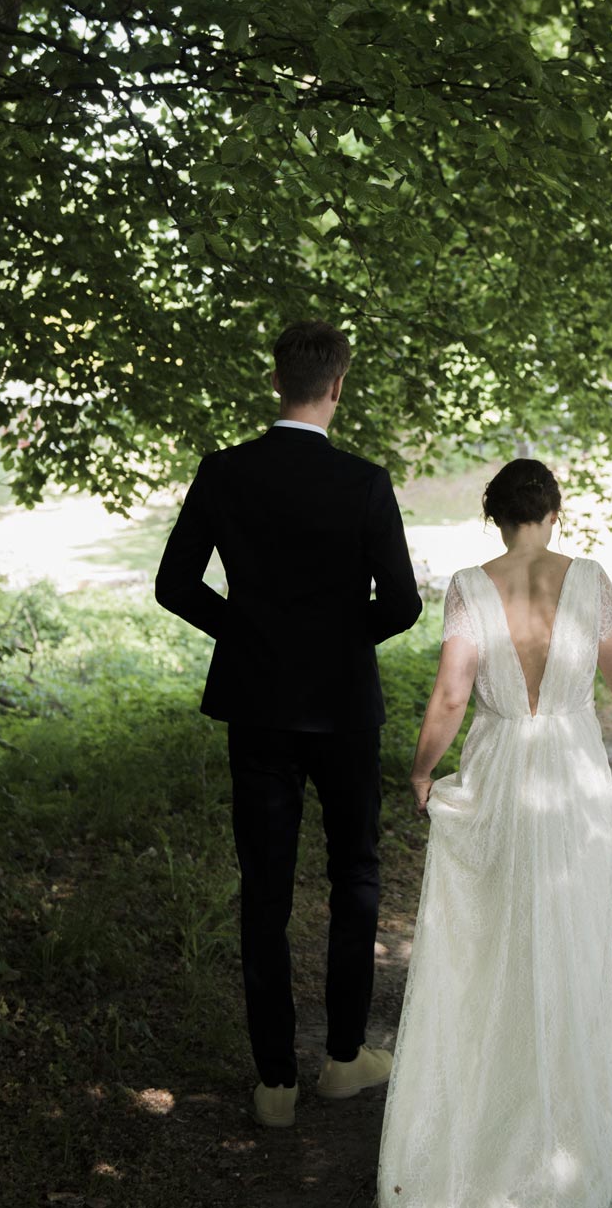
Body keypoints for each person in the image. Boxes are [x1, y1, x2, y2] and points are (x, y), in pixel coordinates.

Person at [377, 458, 612, 1208]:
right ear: (553, 512)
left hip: (495, 777)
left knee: (485, 956)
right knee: (568, 949)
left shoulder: (467, 584)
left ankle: (480, 1135)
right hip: (571, 780)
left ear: (495, 516)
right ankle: (556, 1142)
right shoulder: (587, 580)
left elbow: (451, 695)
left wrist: (421, 770)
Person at [155, 320, 423, 1128]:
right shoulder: (366, 482)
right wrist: (335, 643)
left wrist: (251, 635)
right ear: (337, 386)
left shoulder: (225, 473)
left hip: (258, 703)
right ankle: (343, 1060)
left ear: (277, 382)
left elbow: (176, 585)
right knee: (356, 877)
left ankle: (274, 1082)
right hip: (342, 704)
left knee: (264, 887)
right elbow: (404, 604)